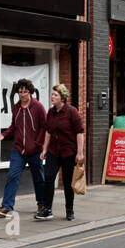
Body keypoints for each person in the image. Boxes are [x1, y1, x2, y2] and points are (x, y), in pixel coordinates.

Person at [0, 78, 47, 219]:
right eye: (20, 92)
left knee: (38, 178)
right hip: (18, 150)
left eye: (25, 92)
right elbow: (13, 127)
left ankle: (42, 203)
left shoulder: (38, 107)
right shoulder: (16, 107)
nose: (22, 94)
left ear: (30, 92)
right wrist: (3, 135)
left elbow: (44, 127)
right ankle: (6, 207)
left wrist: (38, 144)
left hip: (34, 150)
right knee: (12, 176)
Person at [40, 83, 85, 222]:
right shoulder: (51, 112)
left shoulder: (72, 112)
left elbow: (79, 133)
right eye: (52, 94)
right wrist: (44, 149)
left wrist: (80, 152)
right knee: (48, 177)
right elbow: (48, 131)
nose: (52, 97)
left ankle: (69, 210)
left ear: (62, 98)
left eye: (55, 95)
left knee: (67, 182)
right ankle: (47, 209)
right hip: (54, 151)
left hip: (69, 152)